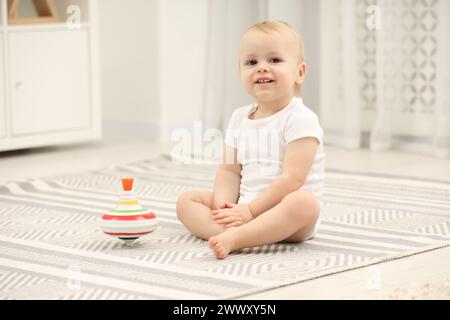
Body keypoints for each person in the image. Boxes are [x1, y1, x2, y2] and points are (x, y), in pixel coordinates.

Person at [176, 20, 325, 259]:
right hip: (243, 205)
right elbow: (229, 171)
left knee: (304, 203)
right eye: (251, 62)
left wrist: (252, 210)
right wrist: (224, 204)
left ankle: (237, 237)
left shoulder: (300, 118)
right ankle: (245, 232)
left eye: (274, 60)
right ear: (241, 72)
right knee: (186, 202)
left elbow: (293, 178)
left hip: (285, 214)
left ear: (300, 72)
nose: (262, 68)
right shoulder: (239, 117)